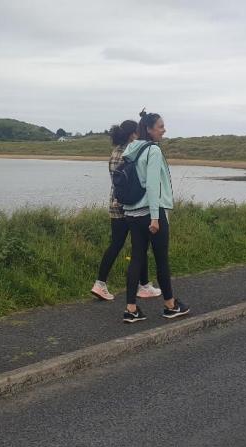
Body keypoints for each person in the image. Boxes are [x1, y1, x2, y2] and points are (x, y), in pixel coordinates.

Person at [121, 109, 190, 323]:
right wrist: (154, 217)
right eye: (160, 126)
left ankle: (131, 309)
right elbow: (152, 185)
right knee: (161, 259)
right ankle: (170, 305)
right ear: (150, 130)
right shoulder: (153, 151)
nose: (164, 130)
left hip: (132, 211)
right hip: (152, 212)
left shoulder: (131, 148)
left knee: (137, 259)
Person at [90, 120, 162, 301]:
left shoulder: (115, 152)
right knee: (140, 246)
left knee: (116, 244)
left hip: (115, 204)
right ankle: (143, 285)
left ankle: (100, 283)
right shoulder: (130, 153)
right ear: (132, 135)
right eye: (137, 133)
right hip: (131, 205)